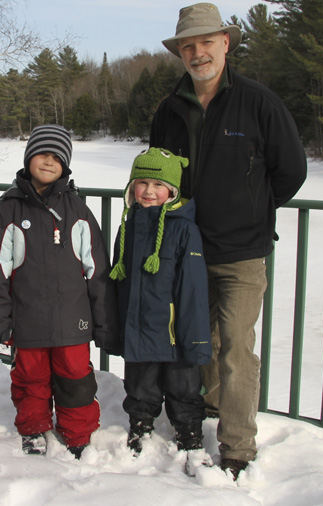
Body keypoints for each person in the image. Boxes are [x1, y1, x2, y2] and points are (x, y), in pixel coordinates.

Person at [150, 2, 307, 480]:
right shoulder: (170, 110)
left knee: (236, 347)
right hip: (186, 248)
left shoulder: (259, 102)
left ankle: (237, 448)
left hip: (241, 253)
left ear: (225, 44)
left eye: (206, 42)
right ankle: (211, 410)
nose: (198, 53)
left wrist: (251, 212)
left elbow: (291, 169)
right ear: (180, 53)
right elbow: (158, 173)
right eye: (188, 45)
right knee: (202, 341)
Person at [0, 124, 119, 459]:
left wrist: (103, 323)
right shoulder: (10, 210)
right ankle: (33, 428)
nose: (48, 161)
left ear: (65, 166)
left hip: (73, 322)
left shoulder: (77, 211)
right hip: (28, 321)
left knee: (76, 378)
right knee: (31, 378)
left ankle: (77, 431)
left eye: (57, 157)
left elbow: (97, 271)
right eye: (42, 154)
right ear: (29, 159)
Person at [109, 147, 212, 476]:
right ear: (131, 188)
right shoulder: (129, 226)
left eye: (157, 184)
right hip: (140, 327)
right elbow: (118, 278)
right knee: (140, 384)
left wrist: (193, 338)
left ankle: (189, 434)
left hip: (172, 330)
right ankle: (140, 424)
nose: (149, 191)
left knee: (183, 387)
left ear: (172, 191)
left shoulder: (184, 229)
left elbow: (192, 289)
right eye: (141, 183)